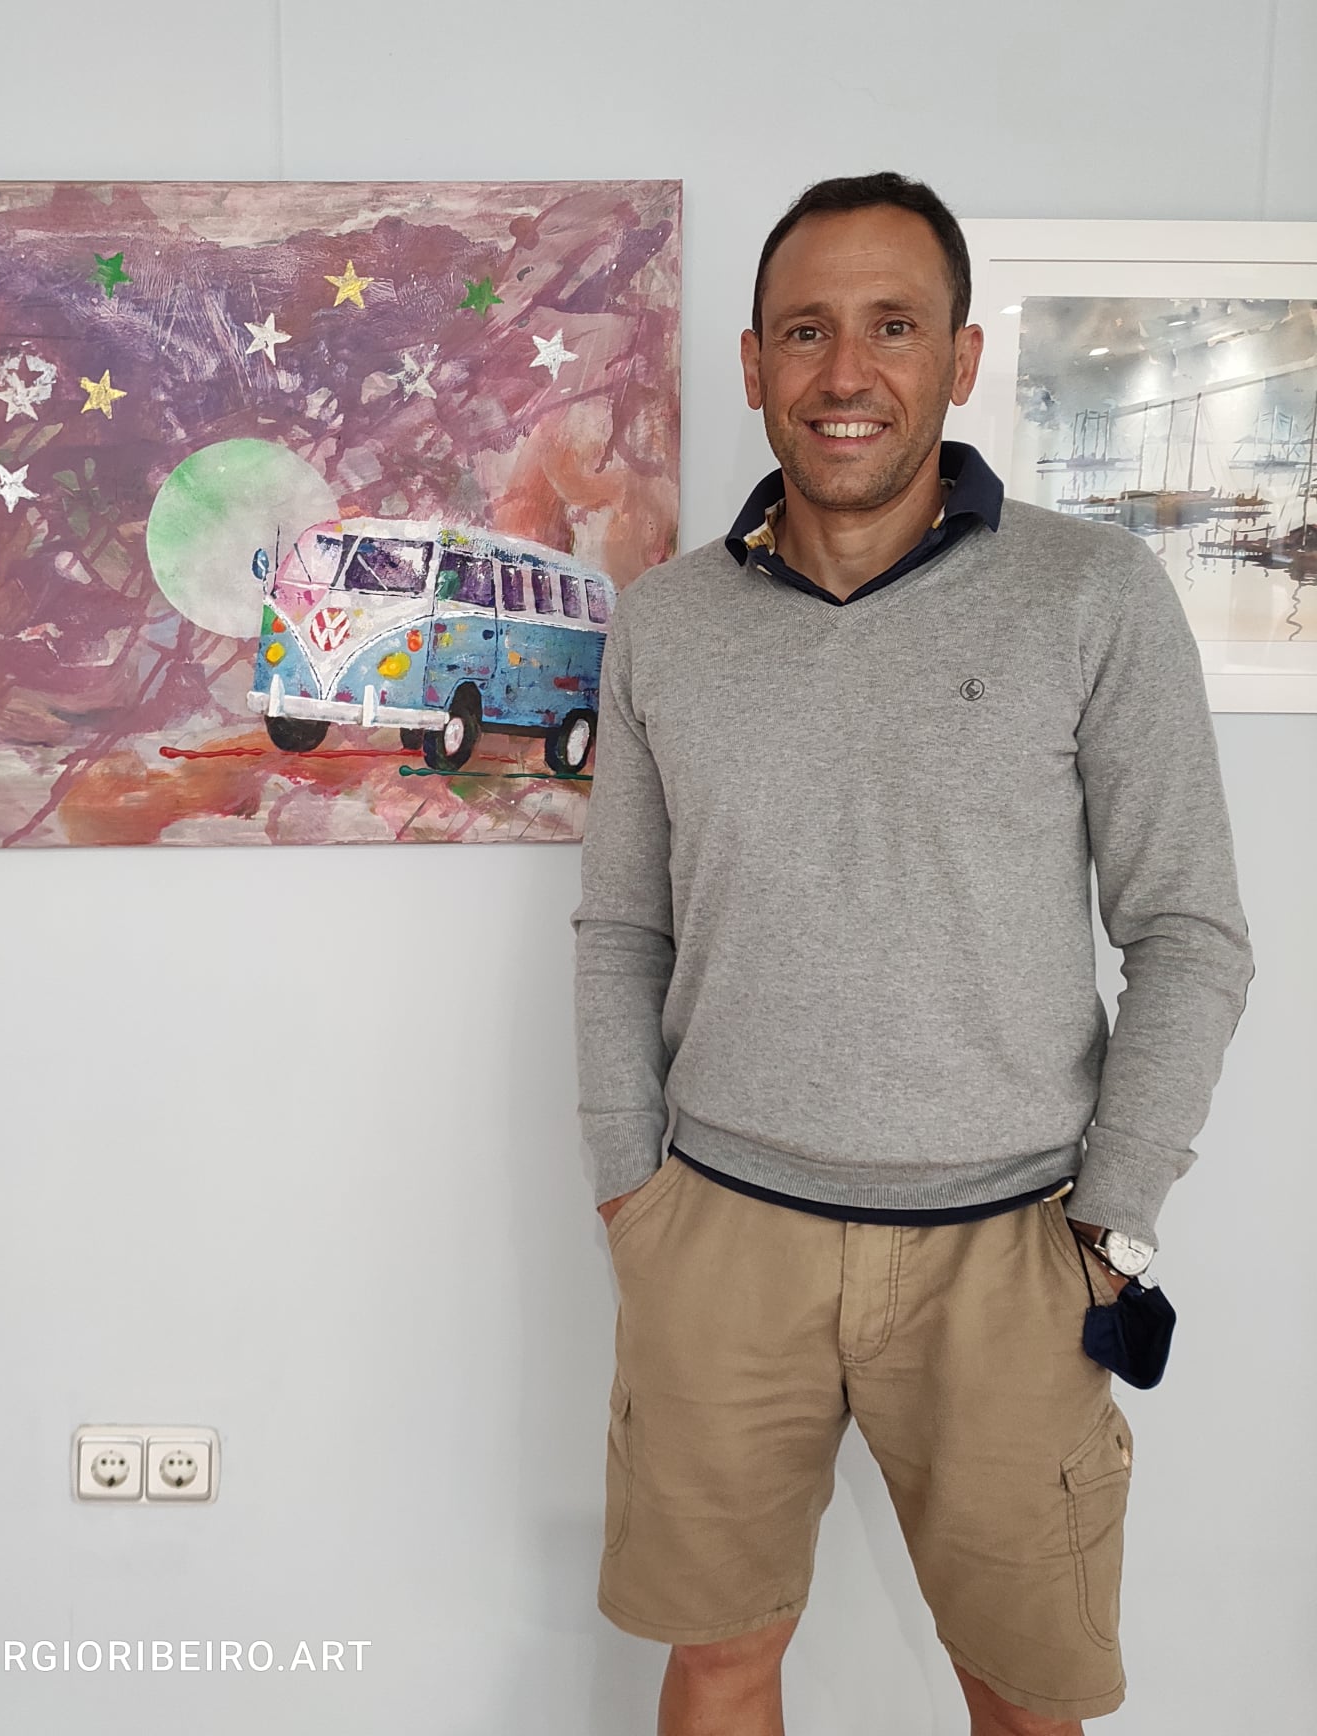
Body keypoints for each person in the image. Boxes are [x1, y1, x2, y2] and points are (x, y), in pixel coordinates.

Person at [571, 172, 1255, 1736]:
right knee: (719, 1658)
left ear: (960, 358)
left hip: (1009, 1254)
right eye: (807, 330)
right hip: (720, 1238)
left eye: (893, 325)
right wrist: (631, 1188)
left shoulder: (1093, 597)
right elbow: (622, 924)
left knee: (1025, 1694)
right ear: (754, 364)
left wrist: (1112, 1219)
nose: (846, 370)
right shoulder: (667, 622)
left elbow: (1190, 932)